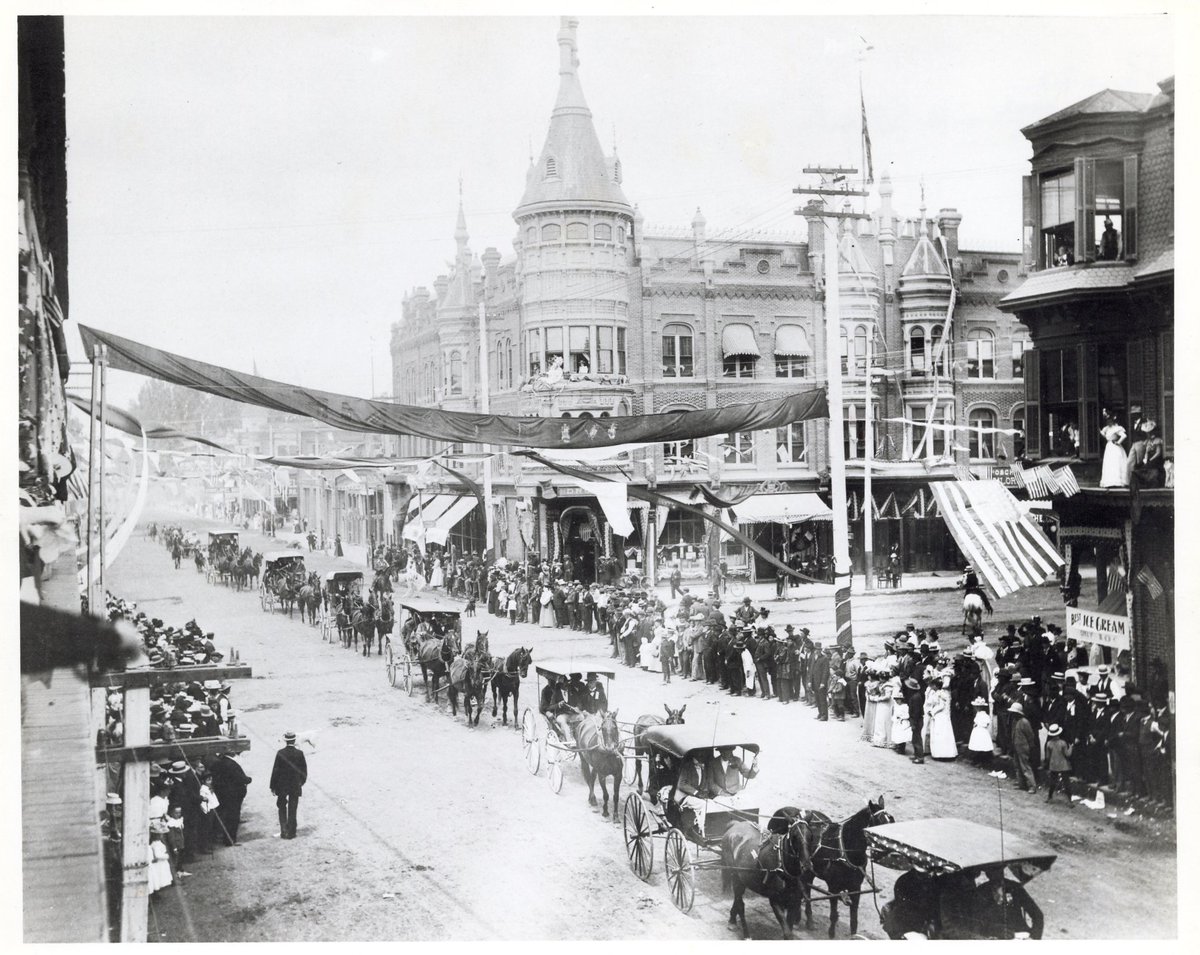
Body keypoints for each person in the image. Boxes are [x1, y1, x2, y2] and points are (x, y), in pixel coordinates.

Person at [269, 731, 308, 839]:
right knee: (293, 808)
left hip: (282, 786)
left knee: (281, 807)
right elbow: (304, 771)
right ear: (294, 740)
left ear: (285, 741)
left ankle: (283, 831)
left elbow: (275, 771)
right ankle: (291, 832)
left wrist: (272, 786)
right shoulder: (299, 753)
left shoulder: (280, 753)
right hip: (295, 785)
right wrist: (301, 782)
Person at [209, 750, 252, 846]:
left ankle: (222, 837)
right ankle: (230, 840)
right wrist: (249, 779)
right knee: (233, 817)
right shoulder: (231, 764)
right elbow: (241, 778)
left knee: (224, 816)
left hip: (222, 794)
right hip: (233, 795)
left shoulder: (218, 763)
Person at [1009, 703, 1039, 793]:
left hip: (1023, 748)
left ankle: (1032, 786)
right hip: (1016, 746)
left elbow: (1030, 736)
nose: (1013, 714)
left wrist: (1030, 747)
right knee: (1017, 766)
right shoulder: (1015, 721)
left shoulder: (1024, 722)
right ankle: (1022, 784)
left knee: (1025, 767)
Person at [1043, 723, 1073, 803]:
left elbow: (1047, 757)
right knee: (1066, 783)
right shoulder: (1063, 743)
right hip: (1063, 765)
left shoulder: (1049, 743)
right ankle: (1070, 800)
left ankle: (1049, 797)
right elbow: (1067, 754)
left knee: (1052, 782)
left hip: (1054, 765)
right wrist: (1071, 747)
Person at [539, 673, 573, 741]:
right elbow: (543, 706)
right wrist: (548, 712)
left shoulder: (559, 688)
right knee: (551, 716)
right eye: (550, 680)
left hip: (559, 710)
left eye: (554, 680)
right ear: (548, 681)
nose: (552, 682)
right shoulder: (545, 690)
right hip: (547, 709)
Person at [1099, 411, 1129, 487]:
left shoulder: (1116, 428)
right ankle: (1109, 482)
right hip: (1109, 447)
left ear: (1112, 420)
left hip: (1114, 447)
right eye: (1107, 420)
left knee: (1116, 463)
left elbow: (1124, 436)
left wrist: (1118, 442)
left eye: (1109, 420)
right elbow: (1104, 435)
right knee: (1109, 464)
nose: (1108, 422)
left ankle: (1117, 482)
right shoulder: (1106, 428)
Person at [967, 697, 994, 766]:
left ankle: (981, 761)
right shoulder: (980, 714)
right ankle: (978, 760)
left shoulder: (983, 715)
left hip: (981, 730)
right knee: (978, 745)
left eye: (977, 707)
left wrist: (978, 724)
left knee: (980, 745)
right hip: (979, 730)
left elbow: (986, 723)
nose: (976, 709)